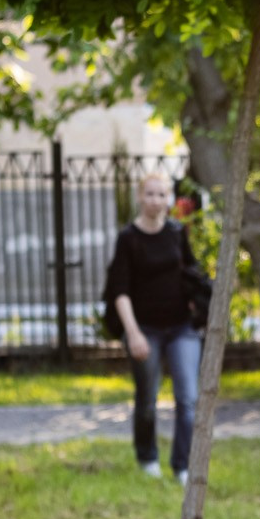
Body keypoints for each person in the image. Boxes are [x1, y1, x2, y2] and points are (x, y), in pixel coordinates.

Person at [103, 172, 208, 482]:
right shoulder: (129, 238)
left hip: (181, 328)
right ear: (140, 197)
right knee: (147, 400)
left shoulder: (177, 232)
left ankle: (183, 466)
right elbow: (119, 290)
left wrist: (195, 300)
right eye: (149, 194)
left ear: (169, 200)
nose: (155, 200)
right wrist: (132, 333)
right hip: (144, 329)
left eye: (161, 194)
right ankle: (147, 458)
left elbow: (192, 271)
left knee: (188, 398)